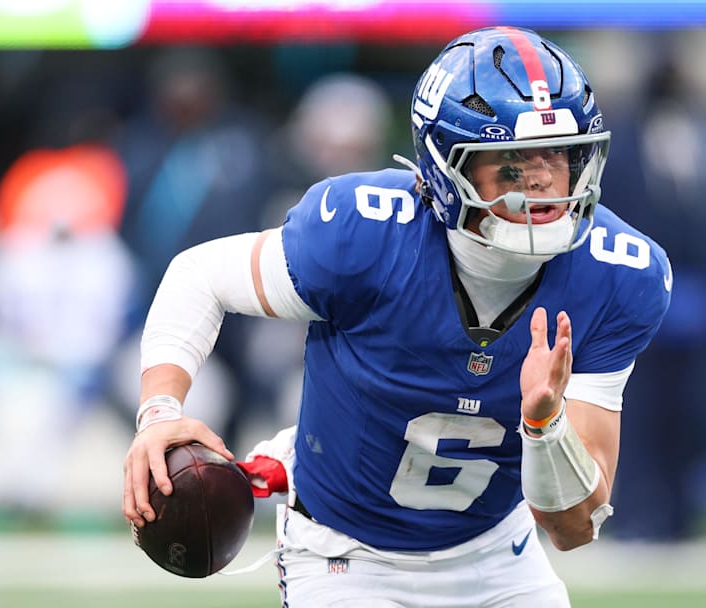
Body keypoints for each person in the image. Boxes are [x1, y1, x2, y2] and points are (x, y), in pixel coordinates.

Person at [123, 26, 670, 607]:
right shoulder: (364, 233)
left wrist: (543, 426)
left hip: (495, 555)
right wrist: (160, 412)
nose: (539, 183)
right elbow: (198, 275)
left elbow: (572, 528)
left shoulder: (618, 274)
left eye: (555, 157)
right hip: (345, 554)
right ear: (444, 170)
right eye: (510, 166)